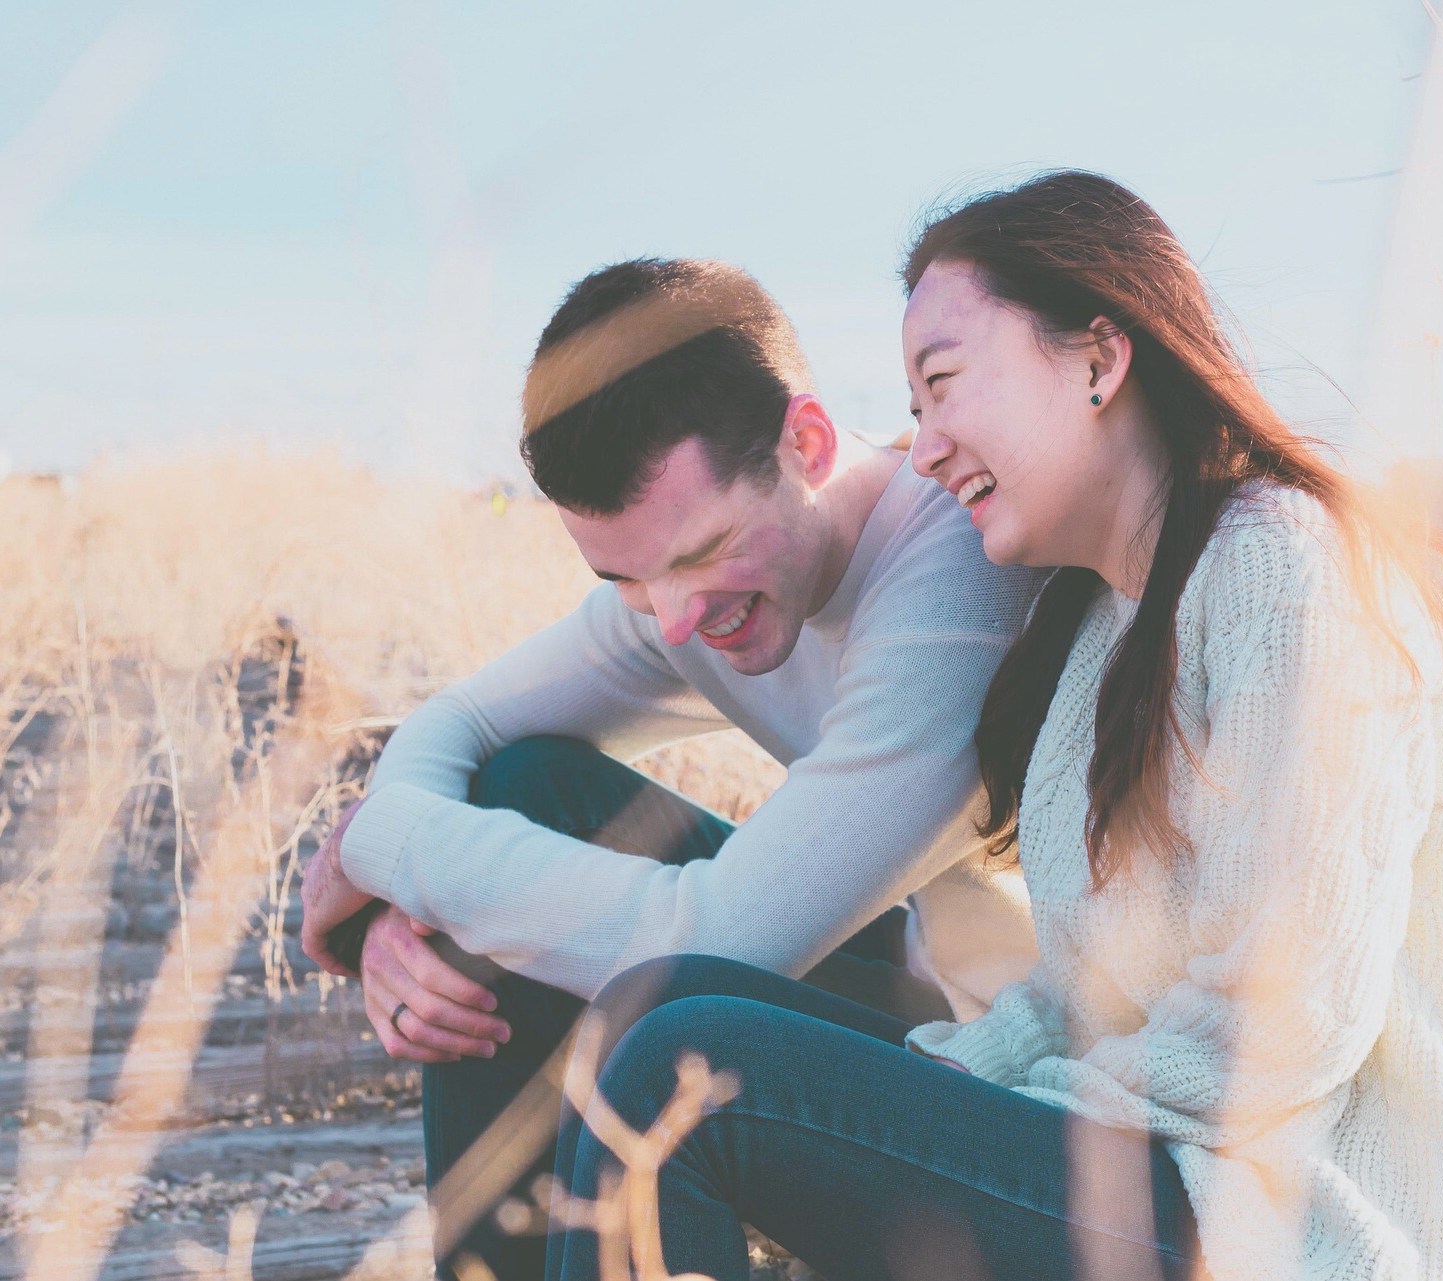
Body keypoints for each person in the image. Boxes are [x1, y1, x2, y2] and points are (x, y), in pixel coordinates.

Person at [548, 172, 1443, 1281]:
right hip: (1150, 1172)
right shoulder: (1106, 629)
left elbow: (1283, 1022)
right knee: (662, 998)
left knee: (690, 1065)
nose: (921, 448)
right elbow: (1088, 994)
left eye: (944, 386)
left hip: (1276, 1232)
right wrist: (959, 1082)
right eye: (911, 411)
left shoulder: (1283, 570)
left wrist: (1001, 1109)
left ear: (1098, 359)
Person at [296, 257, 1047, 1277]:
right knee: (518, 788)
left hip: (1030, 1085)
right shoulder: (677, 592)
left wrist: (387, 849)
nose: (674, 617)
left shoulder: (956, 573)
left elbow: (720, 938)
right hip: (924, 992)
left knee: (636, 997)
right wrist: (402, 905)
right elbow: (460, 722)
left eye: (700, 553)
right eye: (623, 577)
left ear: (808, 442)